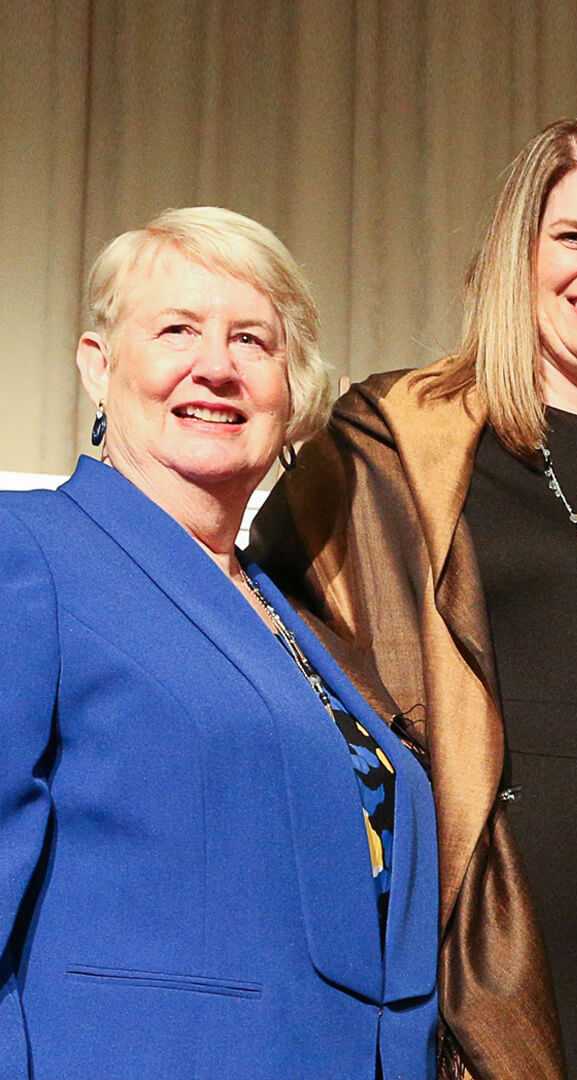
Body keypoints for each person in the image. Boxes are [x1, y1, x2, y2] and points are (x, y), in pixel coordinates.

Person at [249, 115, 577, 1079]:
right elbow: (266, 645)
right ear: (518, 257)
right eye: (573, 237)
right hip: (474, 973)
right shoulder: (395, 441)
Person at [0, 207, 437, 1078]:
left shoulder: (299, 619)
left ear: (292, 388)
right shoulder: (27, 553)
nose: (216, 367)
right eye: (177, 330)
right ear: (99, 364)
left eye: (252, 341)